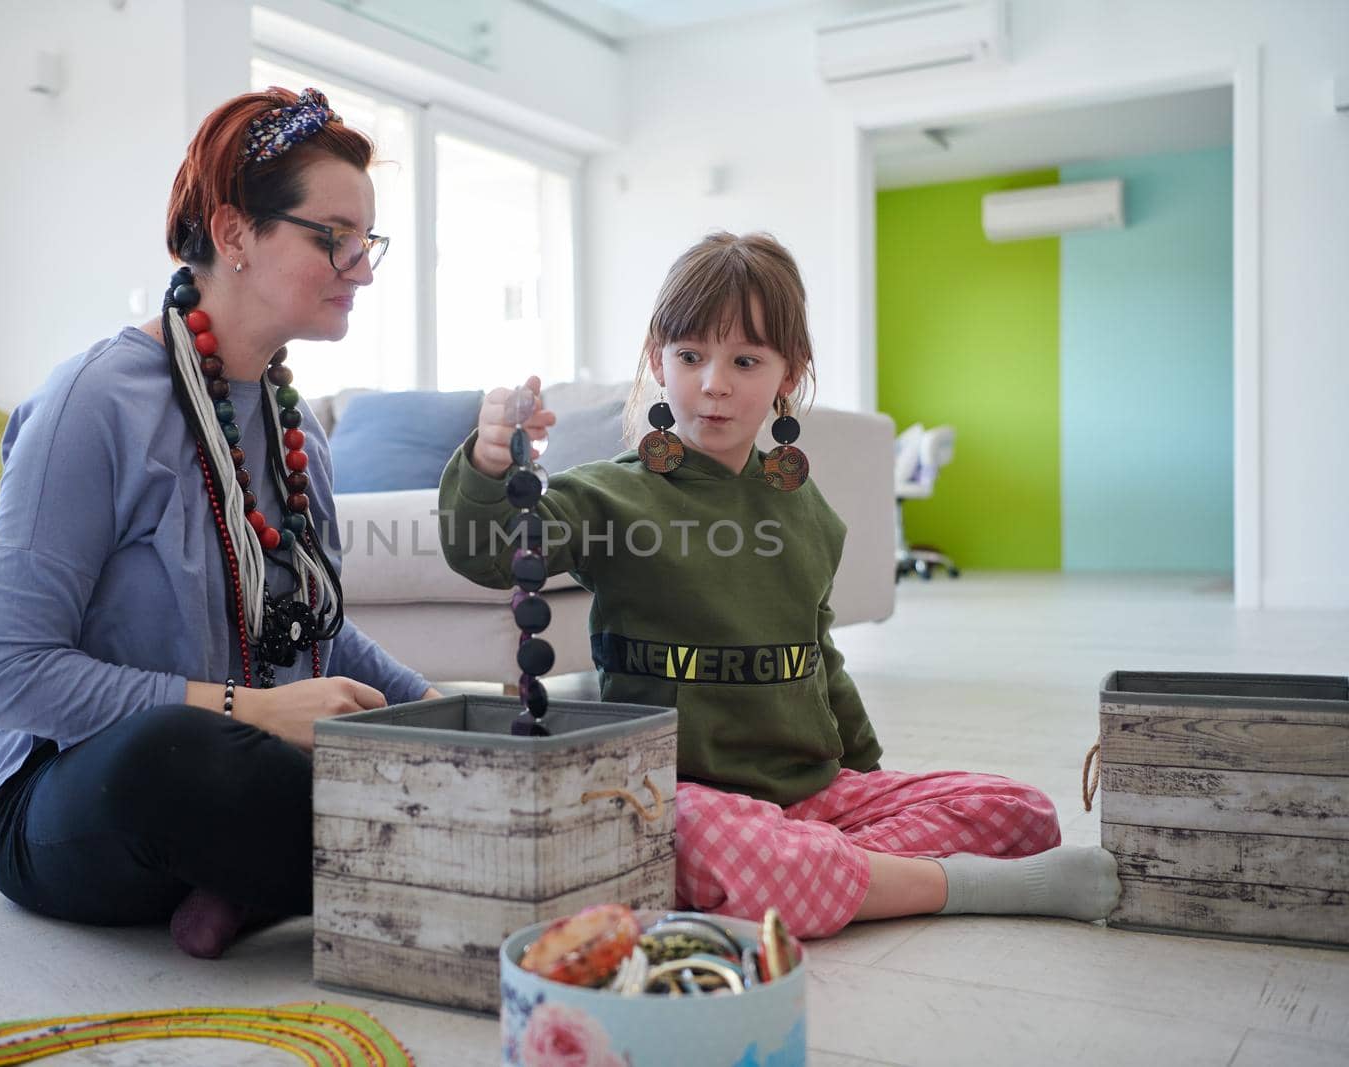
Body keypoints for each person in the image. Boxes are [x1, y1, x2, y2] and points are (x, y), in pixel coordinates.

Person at [438, 231, 1119, 939]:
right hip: (689, 799)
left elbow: (818, 655)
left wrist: (869, 778)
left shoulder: (802, 505)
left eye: (746, 360)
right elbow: (488, 552)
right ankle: (948, 886)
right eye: (690, 356)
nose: (714, 383)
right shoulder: (611, 496)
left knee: (1023, 810)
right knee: (703, 839)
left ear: (787, 372)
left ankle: (827, 873)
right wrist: (488, 468)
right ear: (657, 361)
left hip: (814, 799)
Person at [0, 87, 439, 960]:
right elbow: (2, 672)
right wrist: (250, 710)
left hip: (240, 772)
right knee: (180, 756)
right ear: (233, 234)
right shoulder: (94, 400)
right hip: (81, 791)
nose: (362, 269)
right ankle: (416, 862)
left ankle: (257, 882)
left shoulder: (299, 428)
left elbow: (317, 633)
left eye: (365, 242)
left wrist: (438, 712)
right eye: (334, 238)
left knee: (419, 753)